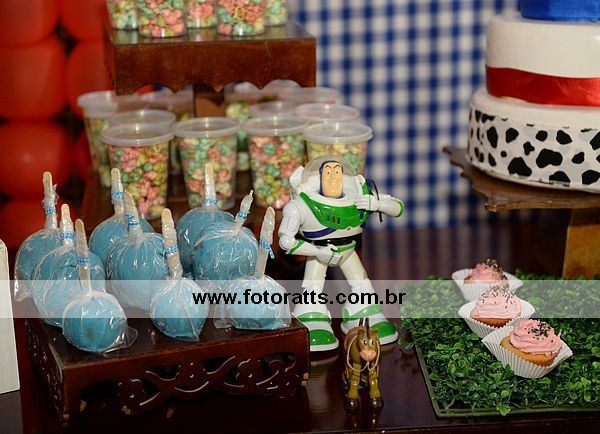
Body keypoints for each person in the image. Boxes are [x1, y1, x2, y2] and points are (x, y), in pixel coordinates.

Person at [278, 156, 404, 351]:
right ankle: (313, 318)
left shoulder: (358, 196)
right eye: (328, 173)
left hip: (349, 250)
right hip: (318, 252)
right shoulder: (301, 205)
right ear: (319, 178)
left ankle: (363, 312)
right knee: (312, 289)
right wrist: (318, 252)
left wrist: (377, 204)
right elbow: (286, 242)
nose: (334, 177)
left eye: (337, 172)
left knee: (362, 285)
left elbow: (398, 208)